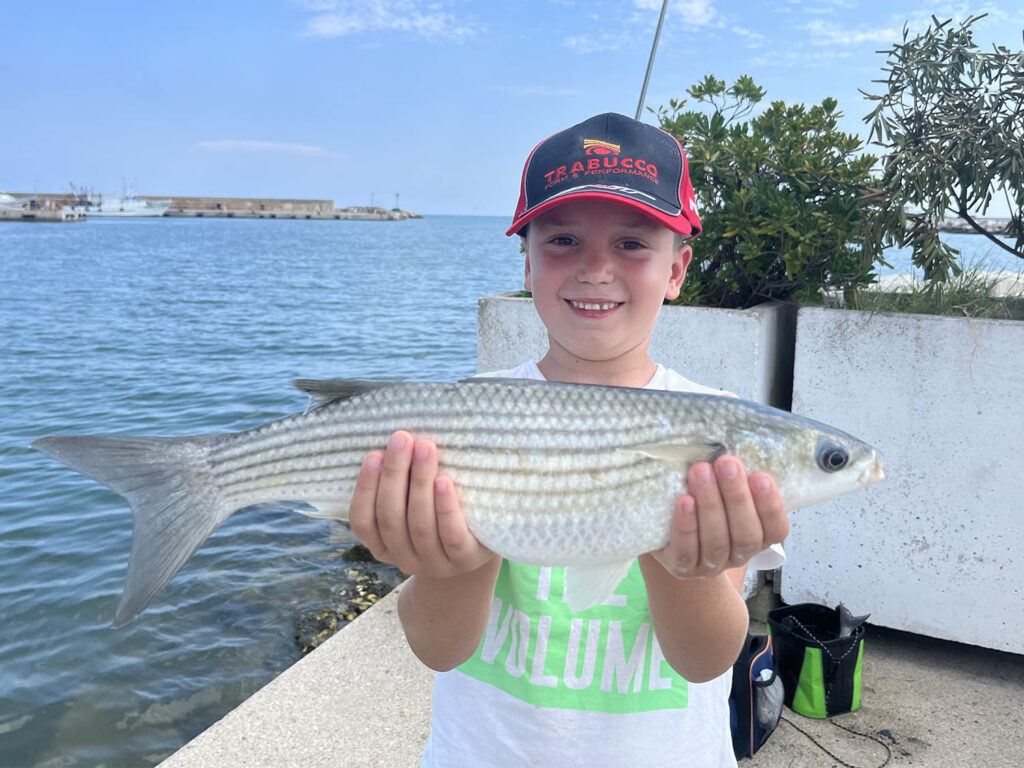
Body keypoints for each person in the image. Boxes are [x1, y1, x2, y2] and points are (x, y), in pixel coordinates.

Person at [348, 112, 789, 767]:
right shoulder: (459, 421)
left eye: (634, 245)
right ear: (526, 262)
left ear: (677, 269)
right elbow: (439, 649)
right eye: (562, 240)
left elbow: (704, 662)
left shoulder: (719, 429)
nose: (595, 269)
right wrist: (450, 561)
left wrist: (684, 567)